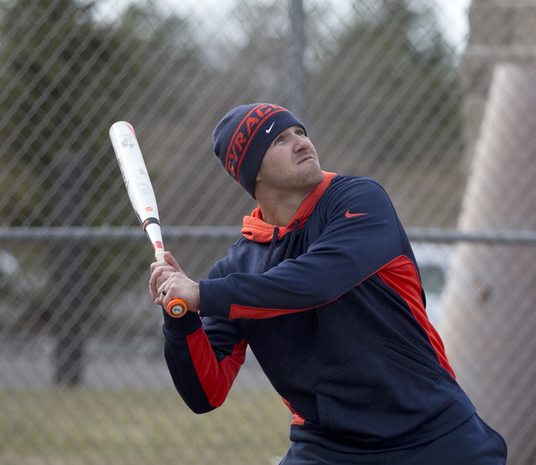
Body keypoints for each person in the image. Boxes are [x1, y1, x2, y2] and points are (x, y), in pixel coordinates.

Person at [149, 103, 507, 464]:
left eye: (300, 132)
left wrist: (204, 294)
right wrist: (179, 315)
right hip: (327, 447)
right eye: (280, 140)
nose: (302, 143)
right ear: (252, 171)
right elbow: (206, 394)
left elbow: (317, 281)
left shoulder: (359, 200)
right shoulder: (235, 270)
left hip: (431, 431)